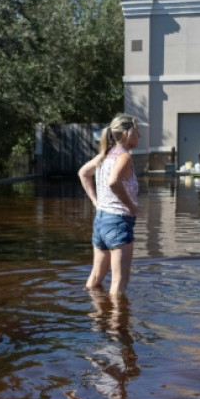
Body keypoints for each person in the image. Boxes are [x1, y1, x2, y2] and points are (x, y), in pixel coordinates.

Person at [78, 114, 141, 295]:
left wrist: (96, 202)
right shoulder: (124, 158)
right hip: (119, 222)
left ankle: (96, 321)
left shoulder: (104, 156)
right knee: (119, 284)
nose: (139, 137)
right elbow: (114, 182)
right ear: (127, 134)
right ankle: (118, 323)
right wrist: (131, 206)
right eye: (137, 132)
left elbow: (83, 173)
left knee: (95, 278)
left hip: (101, 221)